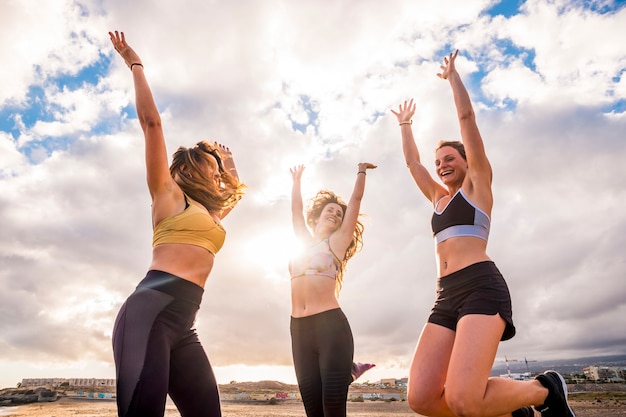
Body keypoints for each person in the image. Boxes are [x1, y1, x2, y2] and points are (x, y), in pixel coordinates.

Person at [391, 50, 575, 417]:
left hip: (480, 285)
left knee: (463, 399)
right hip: (445, 295)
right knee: (422, 399)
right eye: (439, 160)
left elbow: (465, 117)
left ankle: (544, 390)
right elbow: (413, 163)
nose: (442, 164)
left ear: (466, 162)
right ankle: (509, 410)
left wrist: (453, 78)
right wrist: (405, 125)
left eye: (450, 158)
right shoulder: (438, 199)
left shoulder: (478, 186)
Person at [108, 31, 245, 417]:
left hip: (184, 326)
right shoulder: (168, 197)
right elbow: (152, 124)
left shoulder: (211, 214)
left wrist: (227, 159)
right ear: (189, 171)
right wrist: (135, 64)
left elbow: (236, 193)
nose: (216, 175)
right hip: (148, 314)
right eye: (210, 168)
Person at [289, 163, 376, 417]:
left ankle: (345, 370)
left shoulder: (336, 243)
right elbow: (295, 211)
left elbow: (356, 201)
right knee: (313, 409)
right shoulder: (302, 242)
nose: (336, 215)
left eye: (339, 214)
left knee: (332, 408)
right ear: (316, 217)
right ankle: (347, 370)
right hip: (299, 329)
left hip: (331, 328)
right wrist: (296, 181)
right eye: (331, 210)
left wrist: (361, 171)